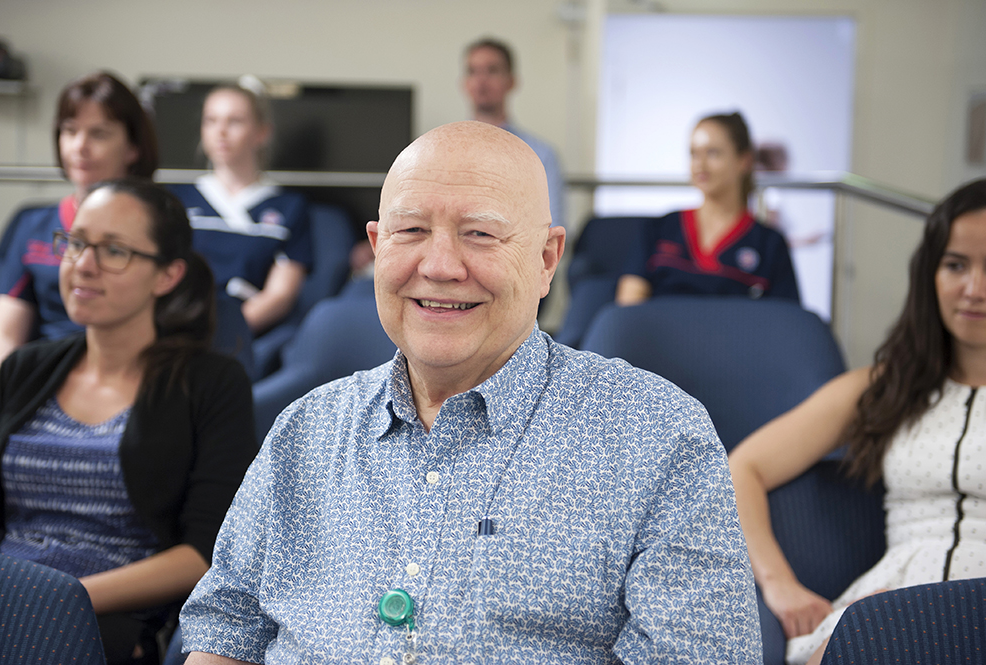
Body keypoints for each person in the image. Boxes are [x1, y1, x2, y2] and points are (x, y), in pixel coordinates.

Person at [180, 121, 761, 664]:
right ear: (378, 247)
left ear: (545, 260)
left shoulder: (656, 436)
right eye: (410, 231)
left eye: (480, 234)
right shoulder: (304, 430)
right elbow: (224, 631)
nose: (439, 265)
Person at [0, 179, 258, 663]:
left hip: (107, 616)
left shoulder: (212, 383)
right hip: (1, 594)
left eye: (114, 250)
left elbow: (205, 554)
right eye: (75, 242)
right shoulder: (24, 368)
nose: (83, 264)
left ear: (167, 275)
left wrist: (56, 599)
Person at [728, 178, 986, 665]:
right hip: (890, 607)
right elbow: (745, 468)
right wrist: (779, 583)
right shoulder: (884, 386)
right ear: (930, 274)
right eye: (956, 265)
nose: (974, 289)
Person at [0, 70, 159, 394]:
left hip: (133, 384)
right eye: (70, 131)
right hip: (42, 381)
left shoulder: (159, 224)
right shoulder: (33, 224)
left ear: (133, 147)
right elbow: (3, 333)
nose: (80, 146)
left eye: (99, 133)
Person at [169, 80, 312, 335]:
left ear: (262, 132)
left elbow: (280, 295)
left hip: (243, 335)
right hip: (177, 323)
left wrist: (221, 333)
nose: (220, 131)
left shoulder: (289, 208)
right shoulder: (177, 200)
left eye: (234, 121)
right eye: (211, 121)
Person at [616, 111, 800, 305]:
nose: (700, 165)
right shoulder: (658, 230)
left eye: (713, 153)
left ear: (744, 161)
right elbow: (628, 312)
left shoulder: (769, 245)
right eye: (694, 153)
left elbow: (785, 326)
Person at [463, 37, 565, 228]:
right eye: (473, 71)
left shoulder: (541, 155)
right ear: (464, 83)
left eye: (492, 70)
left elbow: (552, 227)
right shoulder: (445, 152)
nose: (481, 81)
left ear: (511, 81)